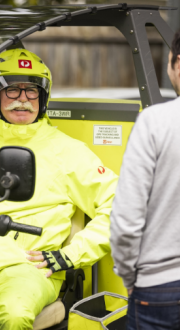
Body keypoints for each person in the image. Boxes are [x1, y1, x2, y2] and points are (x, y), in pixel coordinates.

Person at [0, 48, 118, 330]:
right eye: (13, 90)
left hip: (28, 269)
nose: (23, 100)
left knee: (14, 314)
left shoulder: (68, 151)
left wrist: (70, 255)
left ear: (43, 98)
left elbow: (121, 204)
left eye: (32, 91)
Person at [110, 29, 180, 330]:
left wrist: (128, 278)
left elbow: (126, 221)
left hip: (160, 286)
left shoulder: (156, 121)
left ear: (176, 63)